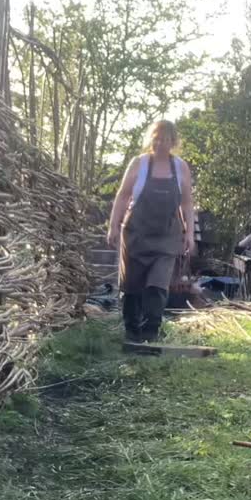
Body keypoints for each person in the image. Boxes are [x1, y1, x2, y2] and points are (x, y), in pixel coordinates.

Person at [107, 120, 194, 343]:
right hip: (136, 234)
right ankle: (131, 332)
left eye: (165, 139)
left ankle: (151, 332)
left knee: (158, 283)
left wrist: (189, 234)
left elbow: (186, 204)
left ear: (173, 142)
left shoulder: (180, 167)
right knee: (132, 286)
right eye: (156, 138)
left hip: (167, 237)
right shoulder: (139, 164)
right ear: (151, 139)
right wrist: (113, 226)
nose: (160, 143)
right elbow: (123, 195)